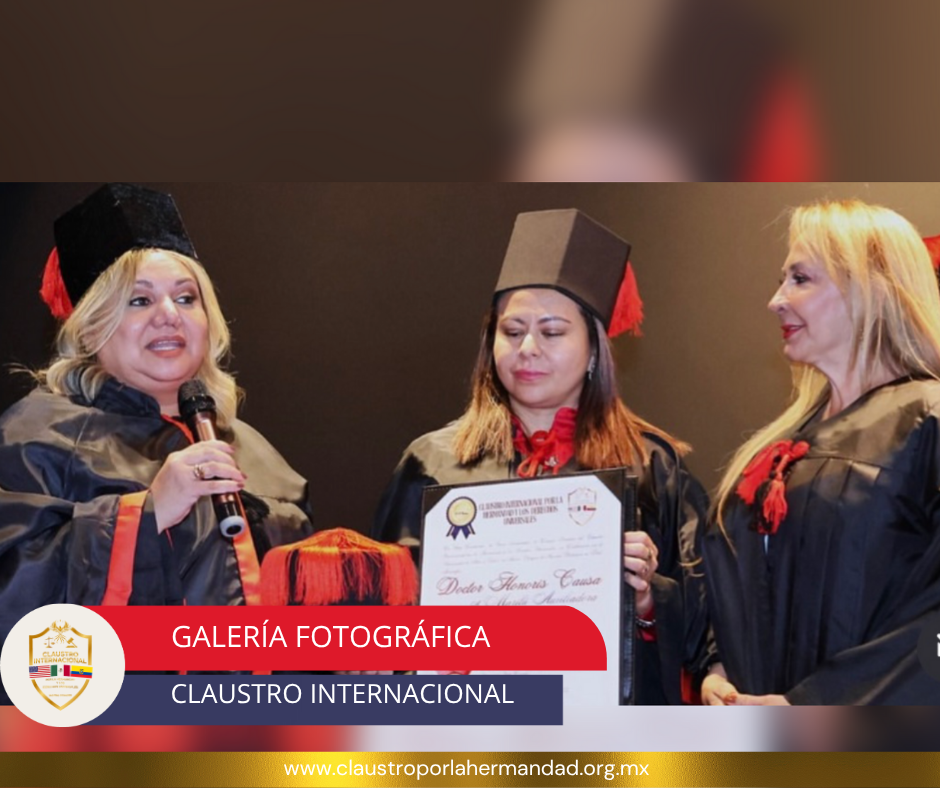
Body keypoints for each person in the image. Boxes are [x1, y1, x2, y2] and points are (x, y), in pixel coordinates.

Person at [373, 208, 710, 704]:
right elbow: (384, 622)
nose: (527, 348)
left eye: (552, 332)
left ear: (594, 349)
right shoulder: (433, 463)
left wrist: (645, 599)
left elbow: (707, 637)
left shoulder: (650, 467)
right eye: (511, 332)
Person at [0, 184, 314, 700]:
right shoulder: (35, 437)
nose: (169, 314)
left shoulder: (255, 451)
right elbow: (15, 603)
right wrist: (145, 515)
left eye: (186, 298)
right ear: (91, 326)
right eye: (140, 300)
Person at [701, 199, 940, 705]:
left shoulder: (928, 420)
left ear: (872, 289)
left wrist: (811, 706)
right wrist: (716, 667)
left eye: (800, 279)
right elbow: (743, 593)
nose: (776, 301)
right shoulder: (785, 442)